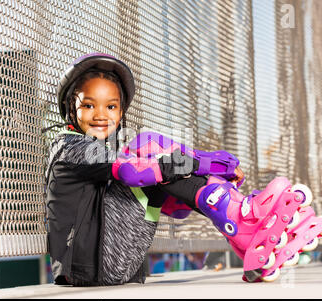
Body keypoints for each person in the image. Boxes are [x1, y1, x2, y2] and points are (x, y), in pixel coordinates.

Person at [44, 53, 244, 286]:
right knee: (146, 147)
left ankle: (239, 220)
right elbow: (131, 172)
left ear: (120, 113)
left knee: (156, 166)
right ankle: (241, 215)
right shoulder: (68, 145)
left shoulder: (98, 150)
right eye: (88, 105)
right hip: (93, 266)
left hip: (116, 261)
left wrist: (206, 172)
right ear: (70, 106)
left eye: (111, 106)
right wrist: (207, 164)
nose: (100, 115)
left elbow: (166, 198)